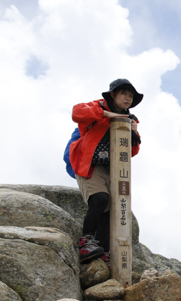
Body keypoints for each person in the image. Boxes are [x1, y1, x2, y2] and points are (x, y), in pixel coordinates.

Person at [70, 79, 143, 266]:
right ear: (113, 94)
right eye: (124, 94)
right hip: (90, 166)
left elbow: (132, 152)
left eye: (131, 96)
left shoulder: (130, 119)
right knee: (100, 199)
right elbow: (77, 112)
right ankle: (85, 242)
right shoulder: (97, 107)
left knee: (110, 209)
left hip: (111, 170)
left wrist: (133, 132)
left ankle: (103, 252)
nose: (128, 99)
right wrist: (107, 115)